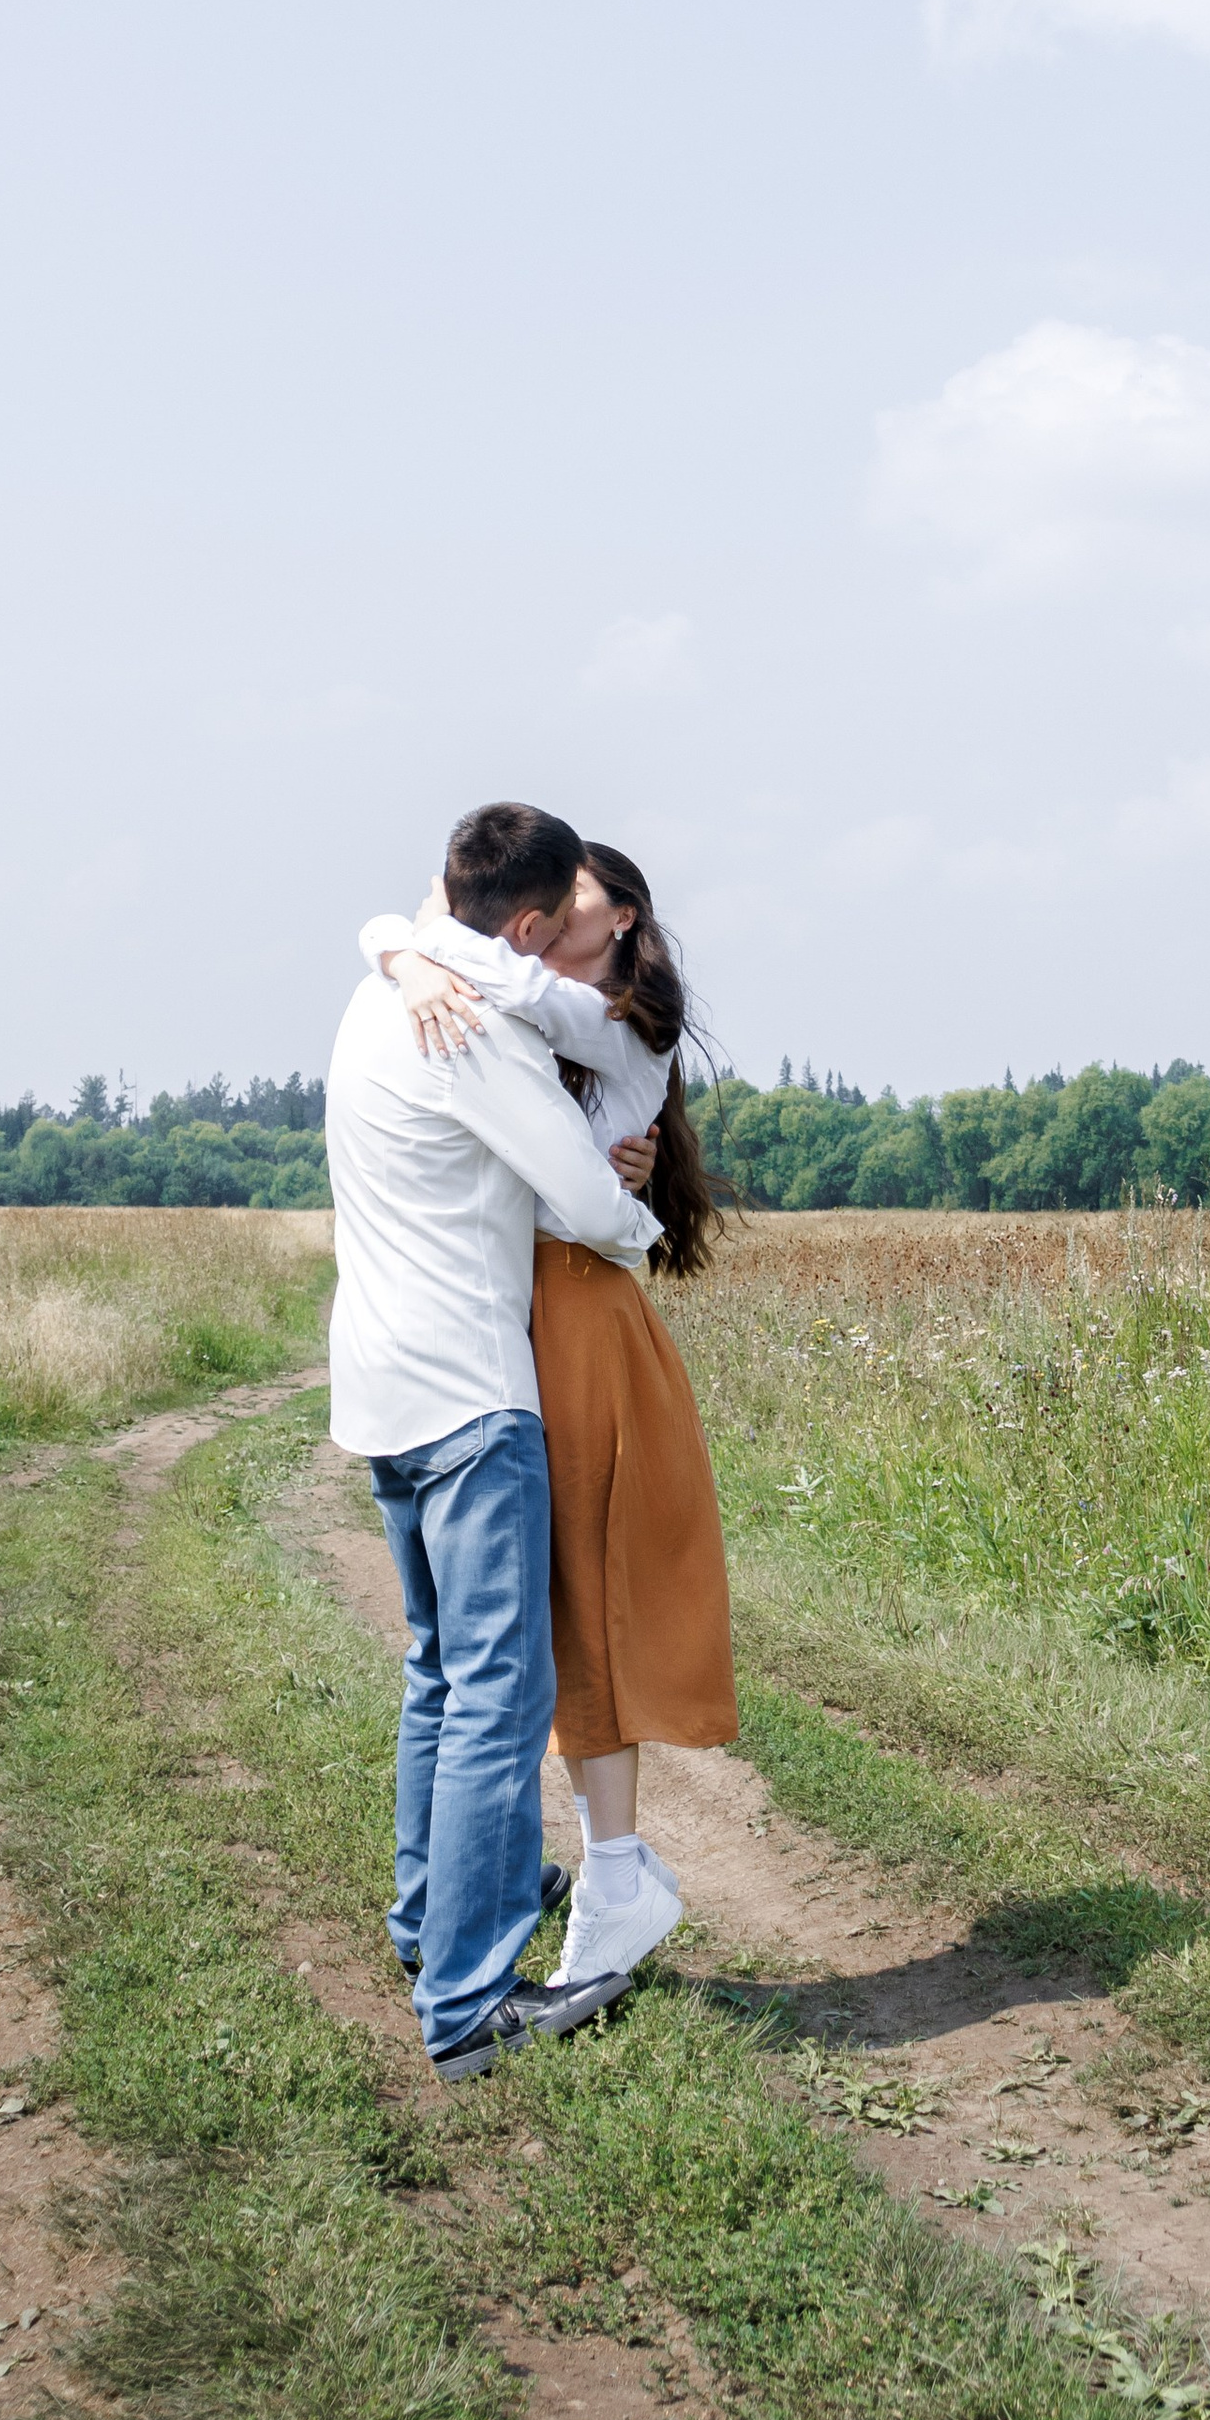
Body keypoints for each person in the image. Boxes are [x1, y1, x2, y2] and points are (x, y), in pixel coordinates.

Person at [325, 799, 671, 2083]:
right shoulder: (474, 1026)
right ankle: (469, 2004)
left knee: (439, 1672)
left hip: (380, 1388)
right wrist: (637, 1218)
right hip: (471, 1395)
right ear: (525, 929)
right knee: (498, 1697)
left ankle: (429, 1925)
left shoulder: (379, 999)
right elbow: (582, 1201)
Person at [360, 839, 736, 1994]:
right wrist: (400, 953)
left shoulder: (611, 1018)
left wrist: (411, 954)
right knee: (548, 1615)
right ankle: (573, 1875)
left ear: (619, 916)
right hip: (534, 1313)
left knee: (580, 1608)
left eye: (574, 889)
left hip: (572, 1316)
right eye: (547, 893)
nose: (548, 911)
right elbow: (447, 938)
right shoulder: (539, 1014)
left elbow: (469, 947)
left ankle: (612, 1874)